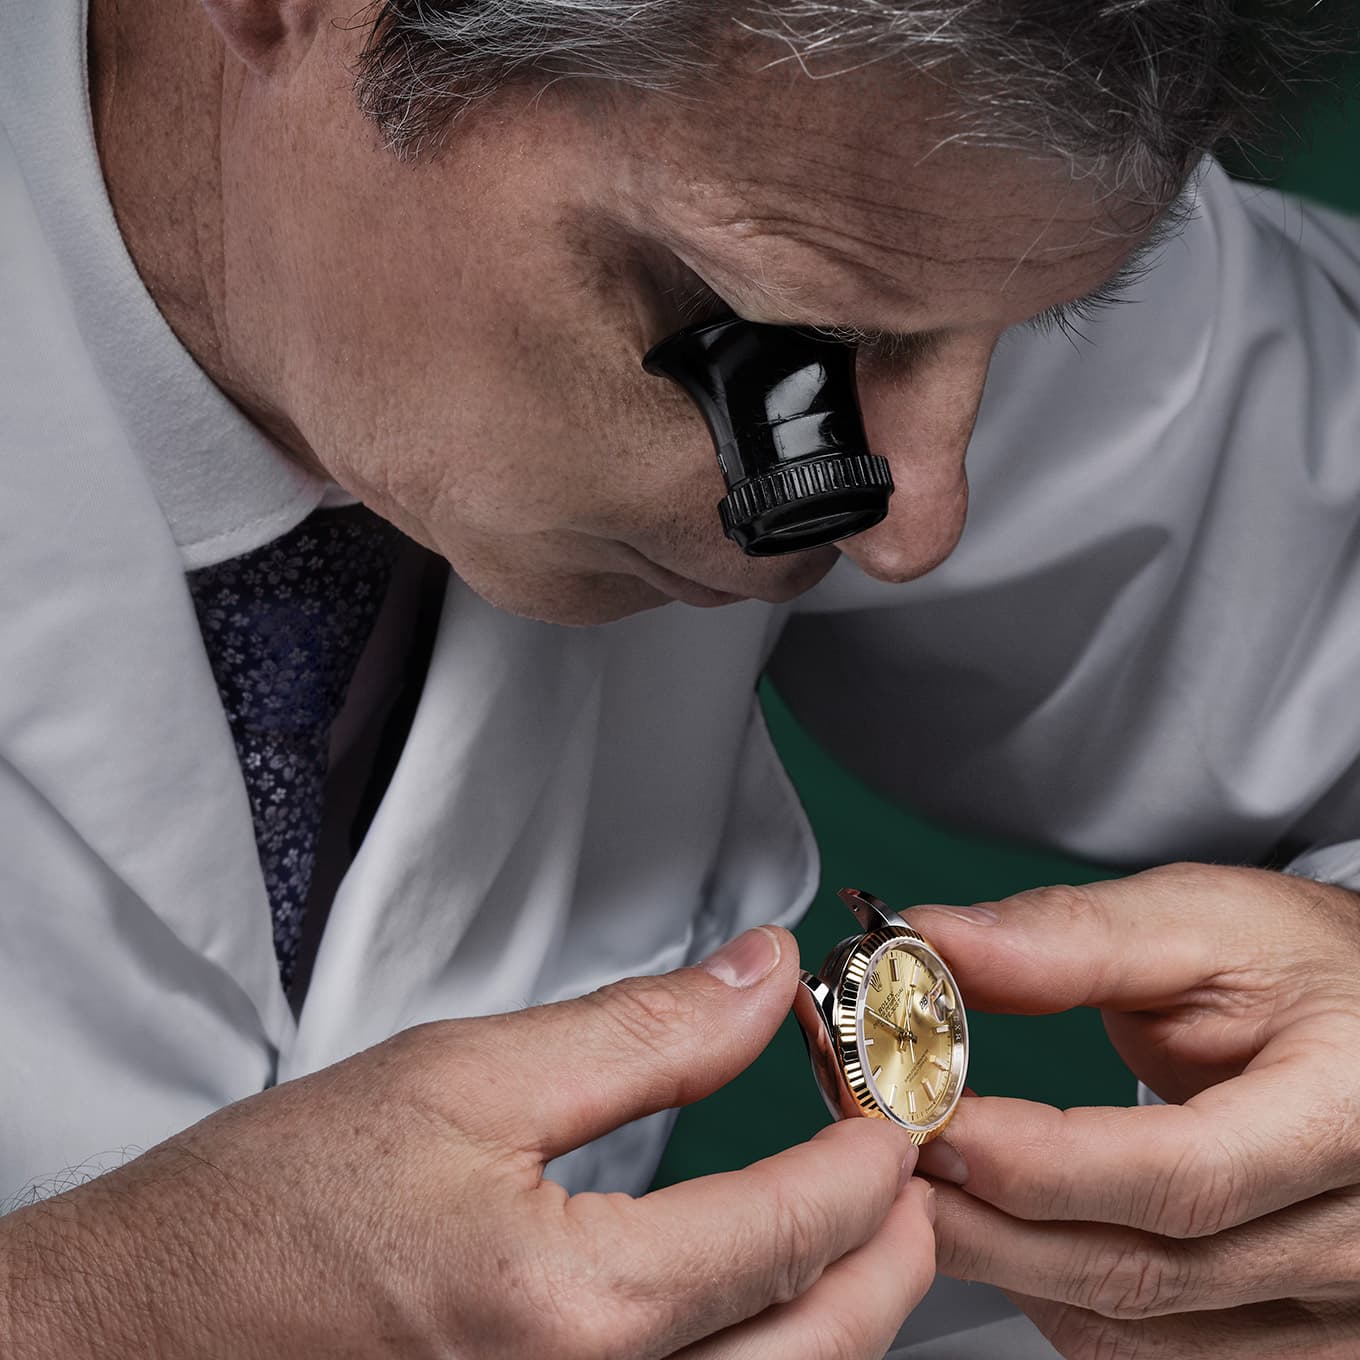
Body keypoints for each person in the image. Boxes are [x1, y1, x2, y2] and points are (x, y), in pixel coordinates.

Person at [2, 1, 1358, 1356]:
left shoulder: (913, 173)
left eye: (1038, 325)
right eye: (760, 332)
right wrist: (80, 1309)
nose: (912, 527)